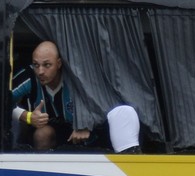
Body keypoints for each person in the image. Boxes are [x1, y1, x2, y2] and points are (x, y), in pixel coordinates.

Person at [11, 40, 141, 153]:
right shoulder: (29, 76)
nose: (40, 71)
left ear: (59, 63)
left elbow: (106, 103)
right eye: (36, 65)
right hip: (55, 134)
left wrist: (86, 123)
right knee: (42, 134)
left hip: (92, 135)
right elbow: (1, 101)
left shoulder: (77, 77)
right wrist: (27, 117)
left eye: (47, 65)